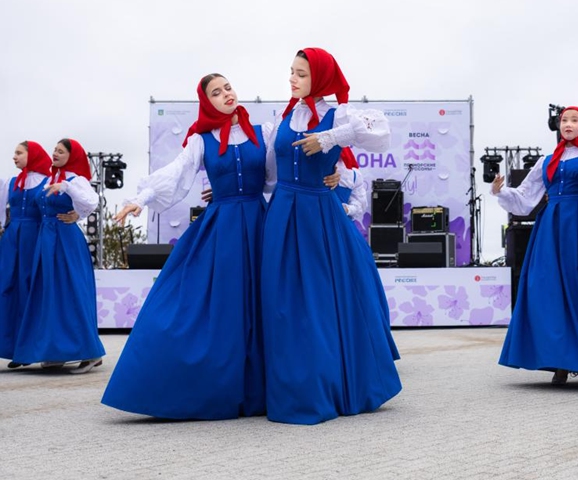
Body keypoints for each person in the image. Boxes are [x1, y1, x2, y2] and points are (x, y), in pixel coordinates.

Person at [102, 74, 334, 419]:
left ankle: (268, 389)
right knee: (219, 305)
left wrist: (337, 174)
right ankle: (203, 385)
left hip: (261, 224)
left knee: (266, 304)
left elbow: (276, 176)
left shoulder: (263, 132)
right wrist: (141, 198)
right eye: (216, 92)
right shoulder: (201, 139)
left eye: (227, 87)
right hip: (223, 228)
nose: (225, 94)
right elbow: (176, 173)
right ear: (206, 101)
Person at [260, 47, 401, 424]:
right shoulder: (283, 115)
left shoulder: (339, 114)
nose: (293, 79)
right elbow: (270, 173)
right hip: (282, 213)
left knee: (320, 301)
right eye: (291, 71)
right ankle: (288, 381)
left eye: (302, 74)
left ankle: (326, 382)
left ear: (319, 78)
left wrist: (326, 139)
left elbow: (381, 132)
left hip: (318, 214)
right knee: (283, 300)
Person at [495, 107, 578, 384]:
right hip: (551, 227)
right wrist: (500, 191)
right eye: (564, 120)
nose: (568, 124)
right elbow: (526, 198)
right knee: (548, 289)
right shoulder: (547, 161)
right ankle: (558, 360)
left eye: (575, 120)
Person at [12, 139, 105, 374]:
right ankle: (55, 351)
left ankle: (91, 353)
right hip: (47, 238)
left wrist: (73, 203)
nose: (55, 153)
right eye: (54, 150)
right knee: (49, 294)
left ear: (72, 156)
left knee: (71, 291)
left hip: (65, 240)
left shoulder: (75, 180)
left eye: (61, 151)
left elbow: (92, 201)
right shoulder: (49, 178)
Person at [0, 141, 52, 367]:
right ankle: (11, 348)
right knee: (7, 287)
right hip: (12, 238)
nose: (14, 157)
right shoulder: (10, 183)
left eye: (19, 153)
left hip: (35, 237)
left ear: (32, 156)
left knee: (29, 288)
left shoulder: (47, 182)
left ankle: (28, 349)